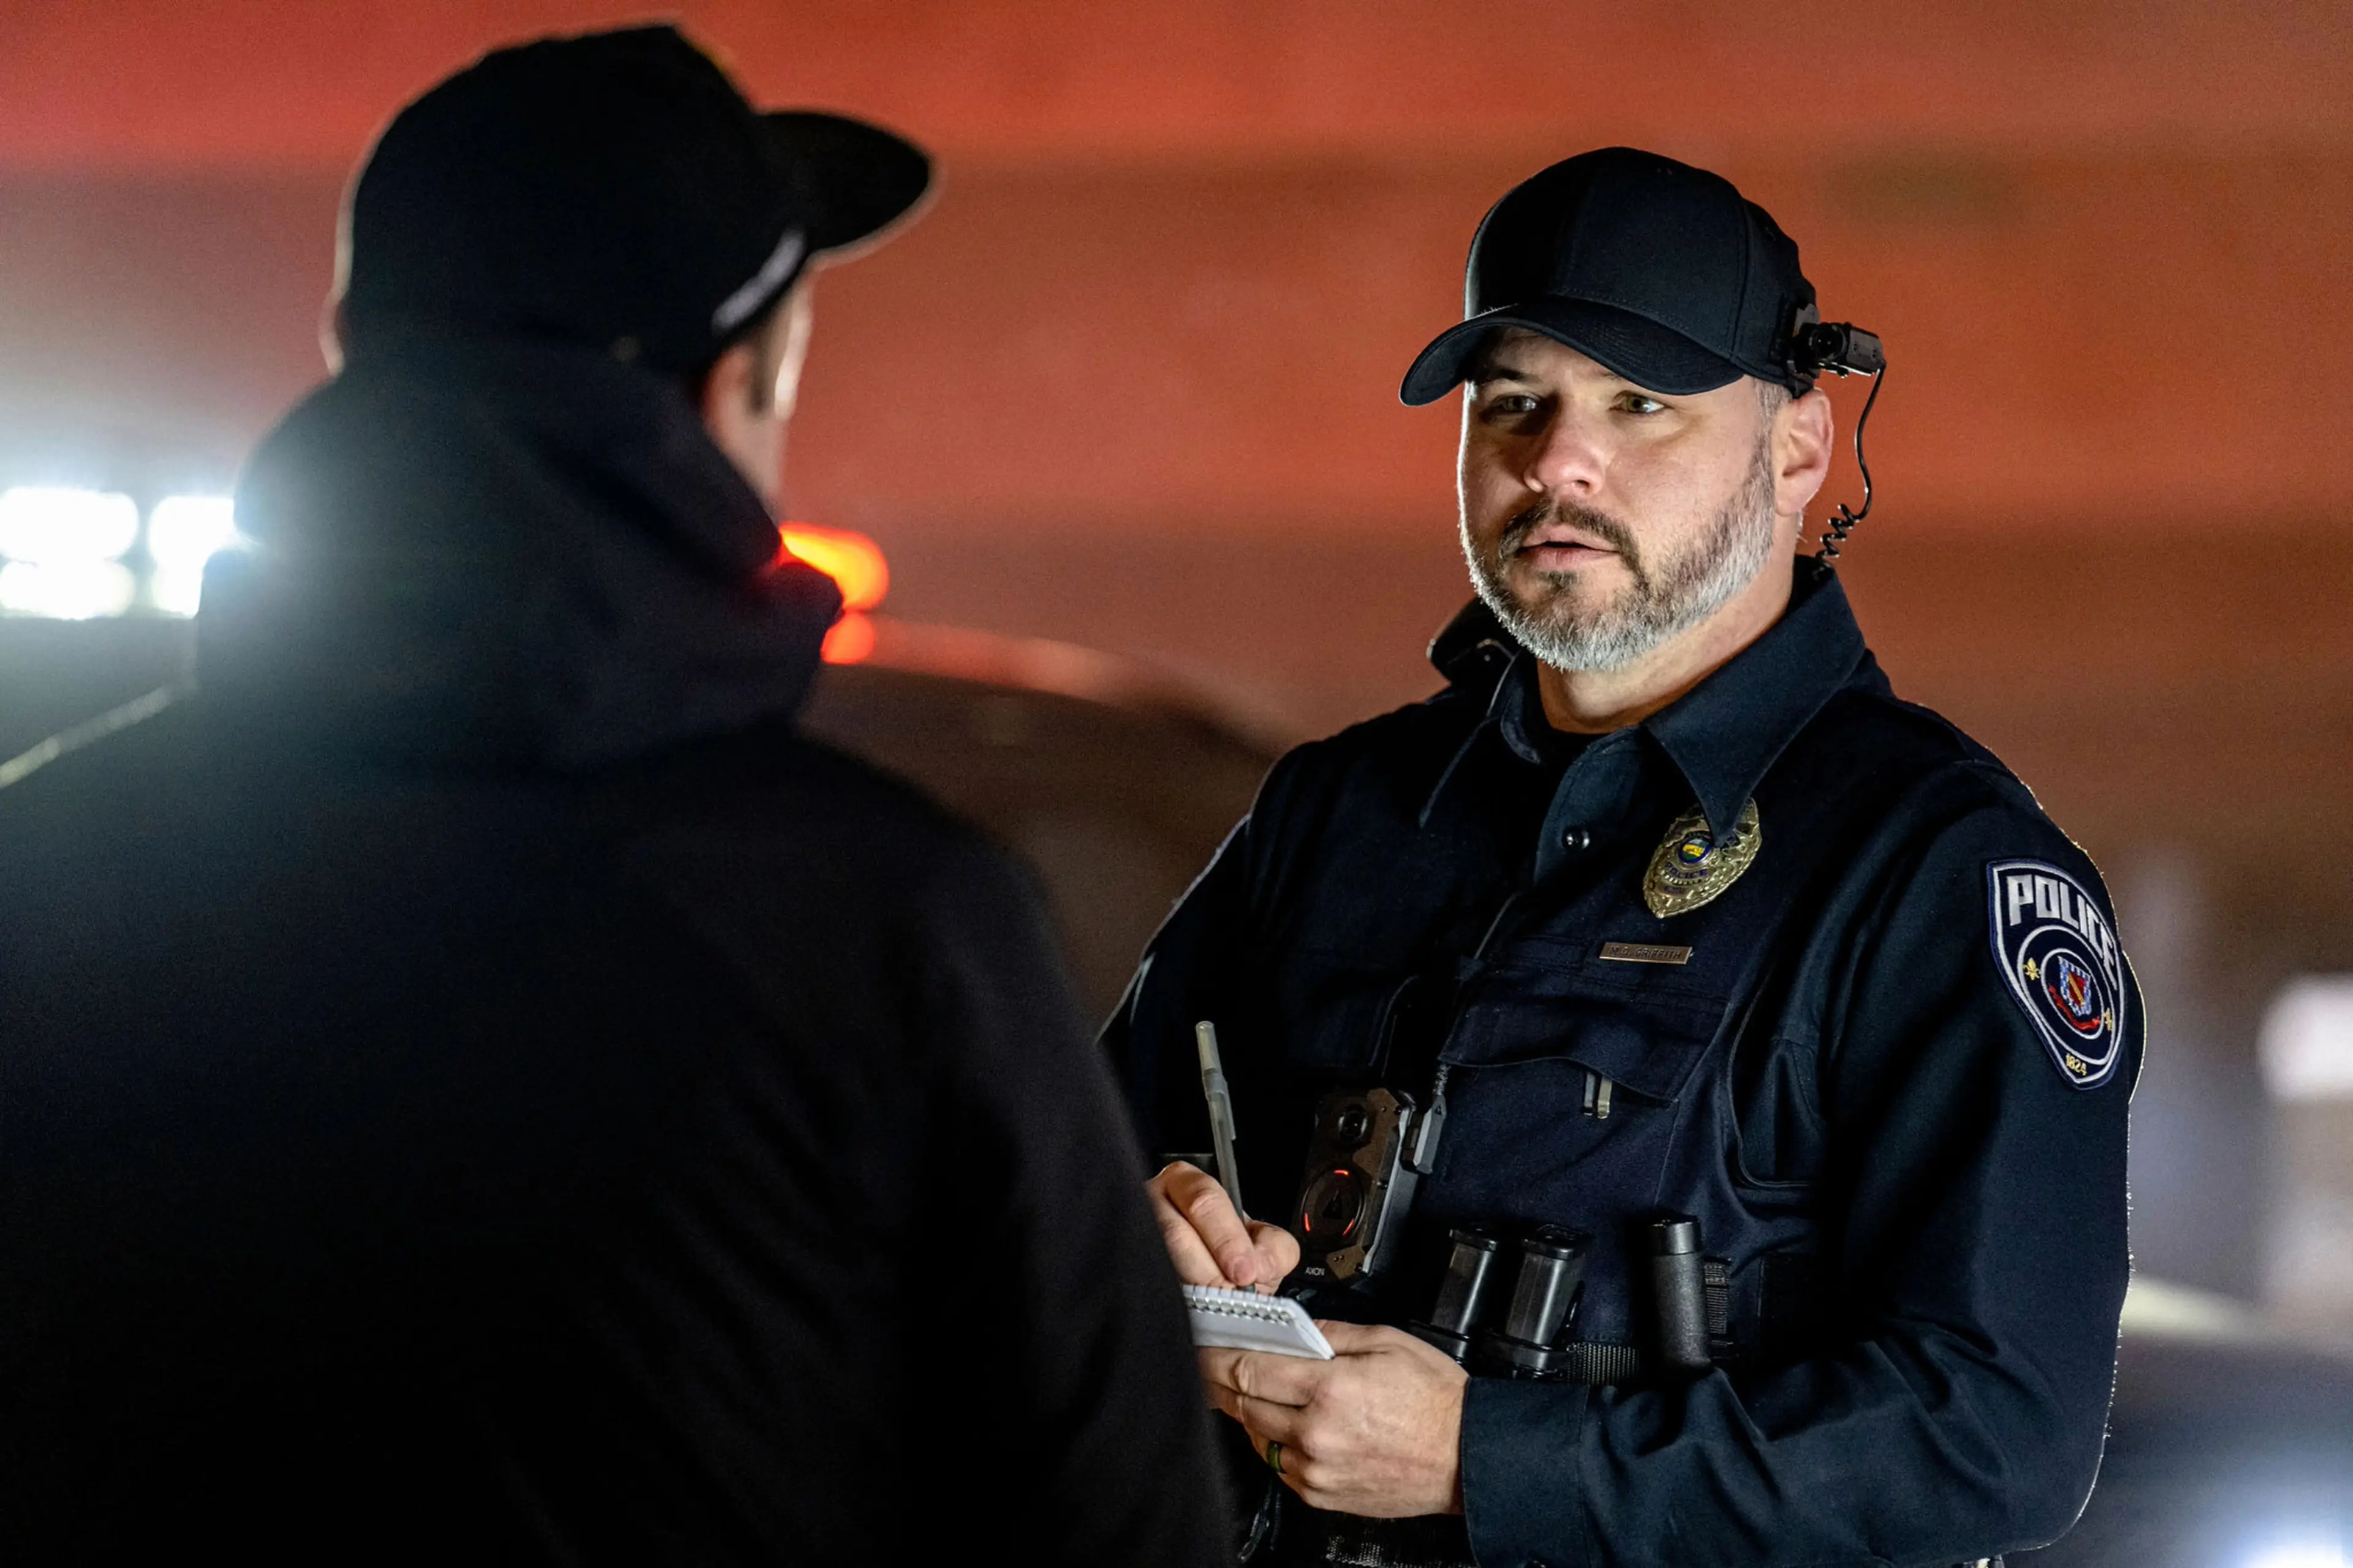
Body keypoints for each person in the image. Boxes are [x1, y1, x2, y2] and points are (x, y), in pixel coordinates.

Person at [0, 26, 1226, 1564]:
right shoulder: (888, 925)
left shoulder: (41, 865)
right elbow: (1120, 1526)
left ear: (351, 354)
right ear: (738, 384)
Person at [1111, 147, 2139, 1567]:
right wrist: (1162, 1222)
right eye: (1513, 402)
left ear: (1795, 451)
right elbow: (1076, 1157)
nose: (1556, 463)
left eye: (1639, 404)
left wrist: (1488, 1458)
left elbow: (1994, 1431)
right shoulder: (1335, 811)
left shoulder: (1931, 870)